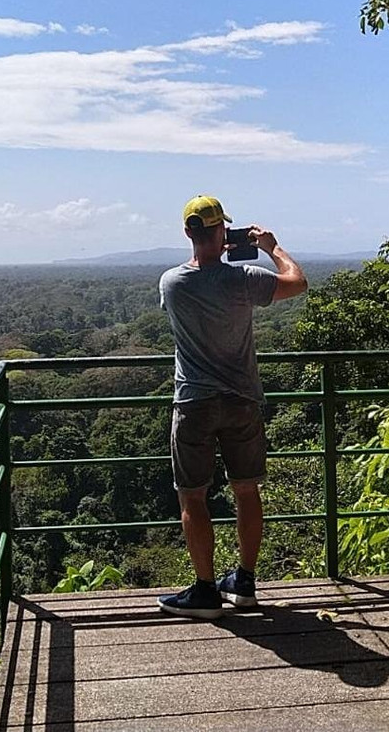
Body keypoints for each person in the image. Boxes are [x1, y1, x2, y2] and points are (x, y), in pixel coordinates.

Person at [156, 195, 307, 619]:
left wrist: (213, 251)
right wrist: (271, 247)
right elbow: (298, 282)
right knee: (246, 490)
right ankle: (243, 581)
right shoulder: (245, 279)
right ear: (223, 231)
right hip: (242, 399)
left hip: (193, 402)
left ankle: (205, 590)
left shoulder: (172, 284)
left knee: (193, 497)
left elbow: (196, 280)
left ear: (188, 233)